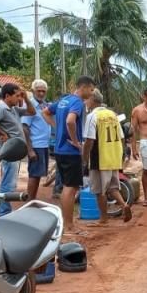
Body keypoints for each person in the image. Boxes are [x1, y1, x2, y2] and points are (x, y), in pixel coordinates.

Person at [43, 76, 96, 235]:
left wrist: (57, 127)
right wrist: (76, 142)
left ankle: (67, 223)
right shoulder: (77, 102)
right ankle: (69, 226)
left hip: (59, 150)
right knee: (70, 188)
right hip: (70, 151)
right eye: (91, 89)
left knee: (67, 186)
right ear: (84, 87)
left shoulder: (63, 100)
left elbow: (45, 112)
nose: (92, 93)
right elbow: (71, 121)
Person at [0, 83, 36, 217]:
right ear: (7, 96)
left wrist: (26, 98)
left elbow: (32, 112)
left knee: (10, 181)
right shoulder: (0, 108)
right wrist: (3, 133)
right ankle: (3, 212)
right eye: (16, 96)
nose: (19, 98)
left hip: (15, 151)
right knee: (8, 182)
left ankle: (4, 210)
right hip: (9, 150)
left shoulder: (13, 109)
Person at [82, 89, 132, 224]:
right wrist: (121, 154)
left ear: (92, 100)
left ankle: (103, 219)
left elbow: (89, 141)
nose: (85, 101)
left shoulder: (92, 116)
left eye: (86, 99)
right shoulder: (112, 114)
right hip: (113, 156)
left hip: (99, 157)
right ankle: (124, 205)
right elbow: (122, 137)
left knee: (99, 190)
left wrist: (85, 158)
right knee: (113, 187)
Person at [21, 79, 51, 200]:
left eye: (44, 91)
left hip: (44, 145)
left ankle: (32, 199)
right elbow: (24, 127)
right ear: (33, 91)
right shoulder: (30, 105)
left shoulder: (45, 105)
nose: (41, 94)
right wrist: (30, 150)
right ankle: (30, 201)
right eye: (39, 91)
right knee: (34, 174)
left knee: (38, 174)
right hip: (36, 145)